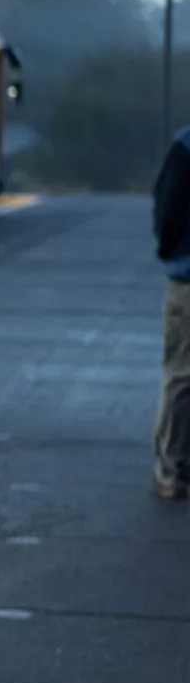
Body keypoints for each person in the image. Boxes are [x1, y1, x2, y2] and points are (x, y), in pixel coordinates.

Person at [151, 129, 190, 500]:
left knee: (181, 374)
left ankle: (172, 467)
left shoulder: (186, 145)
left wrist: (170, 252)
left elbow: (168, 209)